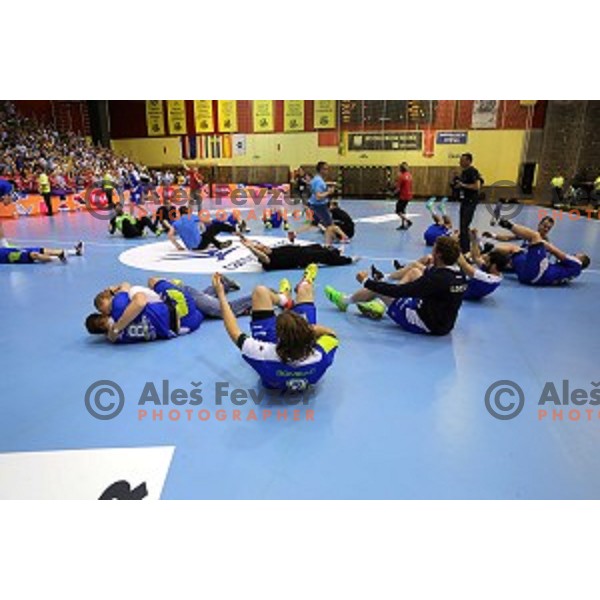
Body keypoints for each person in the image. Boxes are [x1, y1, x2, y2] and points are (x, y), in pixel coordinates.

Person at [213, 266, 340, 391]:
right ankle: (300, 287)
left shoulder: (261, 354)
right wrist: (309, 329)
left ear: (277, 335)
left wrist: (221, 294)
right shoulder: (319, 356)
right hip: (302, 340)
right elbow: (331, 334)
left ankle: (283, 297)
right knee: (305, 288)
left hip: (271, 344)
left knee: (260, 291)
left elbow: (233, 329)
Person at [325, 236, 467, 336]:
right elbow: (432, 281)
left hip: (426, 324)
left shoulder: (438, 279)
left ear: (439, 255)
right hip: (444, 323)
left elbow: (399, 291)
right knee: (414, 271)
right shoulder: (459, 274)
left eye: (434, 250)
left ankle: (345, 301)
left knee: (379, 288)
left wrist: (366, 281)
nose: (431, 253)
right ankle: (384, 302)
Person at [86, 279, 203, 343]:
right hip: (179, 311)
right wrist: (114, 289)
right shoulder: (118, 305)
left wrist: (116, 329)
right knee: (153, 281)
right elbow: (127, 287)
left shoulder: (115, 339)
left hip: (181, 329)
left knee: (203, 306)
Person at [491, 218, 590, 286]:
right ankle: (486, 248)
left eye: (577, 255)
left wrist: (540, 242)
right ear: (539, 224)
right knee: (514, 249)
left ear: (580, 260)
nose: (574, 254)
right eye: (544, 226)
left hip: (536, 272)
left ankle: (504, 223)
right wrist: (493, 236)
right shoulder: (573, 272)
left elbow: (554, 251)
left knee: (534, 236)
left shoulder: (577, 264)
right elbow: (509, 238)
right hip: (527, 275)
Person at [240, 236, 357, 271]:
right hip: (301, 259)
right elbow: (260, 255)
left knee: (317, 247)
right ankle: (347, 260)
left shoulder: (270, 251)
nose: (264, 246)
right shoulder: (268, 262)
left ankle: (336, 252)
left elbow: (256, 246)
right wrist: (250, 248)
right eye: (262, 248)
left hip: (300, 250)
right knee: (323, 256)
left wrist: (245, 240)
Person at [306, 161, 348, 246]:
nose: (327, 171)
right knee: (329, 225)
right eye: (325, 169)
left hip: (315, 204)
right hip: (319, 205)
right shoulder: (319, 182)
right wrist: (329, 192)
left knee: (327, 224)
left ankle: (336, 238)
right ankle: (340, 239)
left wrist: (329, 184)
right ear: (321, 170)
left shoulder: (316, 179)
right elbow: (318, 196)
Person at [0, 223, 84, 264]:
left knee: (41, 249)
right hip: (9, 256)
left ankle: (75, 252)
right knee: (33, 255)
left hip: (7, 249)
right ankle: (58, 259)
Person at [165, 206, 236, 252]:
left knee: (205, 234)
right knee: (215, 226)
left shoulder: (176, 223)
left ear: (180, 214)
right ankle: (234, 230)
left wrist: (178, 246)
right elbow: (209, 222)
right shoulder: (192, 217)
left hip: (191, 248)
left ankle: (219, 244)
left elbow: (170, 235)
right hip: (200, 245)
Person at [456, 153, 482, 254]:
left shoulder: (472, 171)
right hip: (465, 200)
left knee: (464, 224)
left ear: (468, 161)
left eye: (462, 160)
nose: (460, 162)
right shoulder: (464, 172)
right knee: (463, 225)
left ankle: (465, 249)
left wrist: (463, 185)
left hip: (471, 201)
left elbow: (477, 186)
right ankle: (465, 244)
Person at [395, 162, 413, 230]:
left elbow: (398, 188)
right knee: (403, 211)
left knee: (398, 211)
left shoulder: (401, 176)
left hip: (403, 196)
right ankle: (403, 225)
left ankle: (408, 221)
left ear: (401, 169)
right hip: (408, 195)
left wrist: (393, 193)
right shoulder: (409, 175)